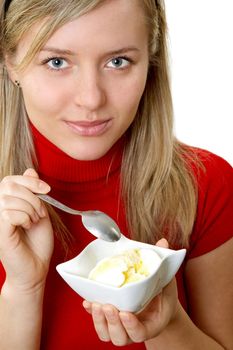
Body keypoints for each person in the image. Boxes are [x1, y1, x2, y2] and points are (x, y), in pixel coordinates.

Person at [0, 0, 232, 349]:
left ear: (150, 62)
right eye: (57, 62)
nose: (91, 99)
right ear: (10, 62)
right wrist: (23, 288)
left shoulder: (207, 184)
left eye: (117, 62)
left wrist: (167, 324)